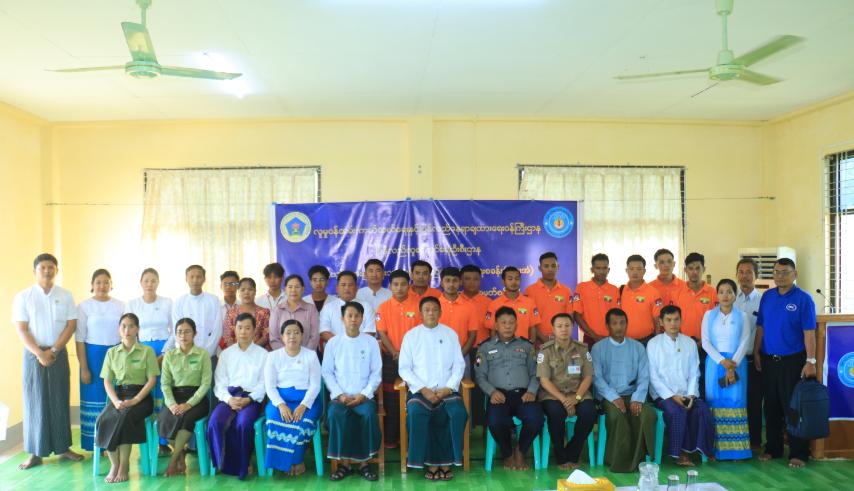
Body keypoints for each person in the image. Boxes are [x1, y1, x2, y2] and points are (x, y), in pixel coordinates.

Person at [13, 253, 84, 470]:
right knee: (35, 402)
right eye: (42, 267)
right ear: (35, 271)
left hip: (57, 353)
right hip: (32, 354)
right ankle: (35, 452)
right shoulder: (23, 296)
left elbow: (71, 325)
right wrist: (39, 352)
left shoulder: (65, 295)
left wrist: (53, 350)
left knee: (59, 398)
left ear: (56, 270)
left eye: (51, 267)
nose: (47, 271)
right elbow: (22, 329)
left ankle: (63, 448)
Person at [754, 258, 817, 469]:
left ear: (795, 274)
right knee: (771, 406)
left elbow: (809, 332)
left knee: (792, 407)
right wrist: (756, 351)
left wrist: (810, 361)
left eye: (785, 272)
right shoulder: (767, 297)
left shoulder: (804, 299)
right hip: (769, 361)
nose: (780, 276)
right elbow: (760, 327)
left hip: (793, 362)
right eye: (777, 272)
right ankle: (773, 448)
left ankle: (799, 453)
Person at [398, 296, 467, 480]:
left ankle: (447, 463)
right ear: (420, 314)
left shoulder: (450, 334)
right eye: (427, 310)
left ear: (440, 312)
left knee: (457, 413)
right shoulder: (411, 336)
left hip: (447, 391)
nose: (431, 313)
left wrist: (448, 388)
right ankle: (429, 463)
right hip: (420, 392)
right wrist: (424, 389)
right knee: (416, 413)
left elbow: (459, 365)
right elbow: (404, 368)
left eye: (434, 309)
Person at [474, 306, 543, 471]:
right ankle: (507, 453)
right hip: (498, 395)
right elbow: (480, 376)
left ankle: (521, 450)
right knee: (494, 421)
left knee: (536, 418)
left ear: (516, 325)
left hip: (523, 395)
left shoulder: (527, 346)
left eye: (511, 322)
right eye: (503, 323)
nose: (507, 326)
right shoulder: (485, 347)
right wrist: (492, 392)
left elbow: (536, 373)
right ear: (496, 325)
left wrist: (532, 391)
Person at [94, 313, 159, 483]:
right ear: (119, 329)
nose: (127, 330)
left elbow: (152, 380)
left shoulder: (147, 351)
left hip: (141, 398)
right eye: (123, 326)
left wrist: (136, 400)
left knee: (125, 417)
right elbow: (107, 381)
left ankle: (124, 465)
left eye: (131, 326)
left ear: (137, 329)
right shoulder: (111, 352)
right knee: (103, 419)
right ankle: (114, 464)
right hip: (119, 396)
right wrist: (115, 401)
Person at [647, 306, 714, 467]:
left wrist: (690, 395)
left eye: (676, 319)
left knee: (702, 410)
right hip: (664, 396)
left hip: (687, 394)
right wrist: (672, 396)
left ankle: (701, 449)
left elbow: (694, 373)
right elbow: (653, 377)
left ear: (681, 320)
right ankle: (680, 454)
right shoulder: (653, 344)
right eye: (669, 320)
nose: (673, 323)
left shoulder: (689, 343)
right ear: (661, 322)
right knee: (677, 411)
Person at [592, 308, 657, 473]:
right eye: (614, 323)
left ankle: (639, 459)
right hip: (608, 397)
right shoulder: (598, 348)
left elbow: (644, 376)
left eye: (622, 323)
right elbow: (597, 378)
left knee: (647, 415)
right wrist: (613, 397)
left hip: (632, 395)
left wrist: (637, 399)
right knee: (617, 417)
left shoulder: (637, 347)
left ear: (627, 324)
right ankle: (618, 461)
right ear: (607, 326)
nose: (619, 327)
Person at [323, 302, 383, 481]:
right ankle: (344, 465)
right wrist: (339, 394)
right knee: (335, 415)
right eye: (349, 315)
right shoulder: (333, 343)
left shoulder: (371, 342)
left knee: (368, 415)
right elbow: (327, 372)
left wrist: (364, 394)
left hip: (364, 397)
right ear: (342, 319)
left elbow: (376, 373)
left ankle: (365, 464)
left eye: (357, 315)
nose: (353, 319)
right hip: (340, 398)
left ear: (362, 318)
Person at [207, 312, 268, 479]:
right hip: (229, 397)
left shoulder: (263, 355)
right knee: (215, 422)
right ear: (234, 329)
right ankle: (221, 462)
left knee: (243, 424)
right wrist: (229, 399)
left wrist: (249, 399)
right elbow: (219, 383)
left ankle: (243, 464)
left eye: (248, 328)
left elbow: (264, 383)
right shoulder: (226, 354)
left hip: (251, 398)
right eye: (240, 328)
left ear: (254, 331)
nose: (243, 332)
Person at [537, 313, 596, 470]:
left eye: (567, 325)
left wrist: (577, 397)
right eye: (559, 326)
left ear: (572, 327)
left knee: (590, 412)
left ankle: (573, 450)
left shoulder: (582, 349)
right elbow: (544, 381)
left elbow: (588, 377)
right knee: (556, 414)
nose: (563, 329)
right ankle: (560, 455)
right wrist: (564, 400)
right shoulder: (545, 351)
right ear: (553, 329)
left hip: (578, 394)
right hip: (553, 396)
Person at [264, 319, 322, 476]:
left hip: (308, 401)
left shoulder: (311, 355)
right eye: (288, 333)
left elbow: (315, 385)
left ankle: (297, 460)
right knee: (274, 421)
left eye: (296, 333)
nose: (292, 336)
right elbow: (270, 387)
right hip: (280, 400)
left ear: (302, 335)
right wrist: (281, 405)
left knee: (302, 423)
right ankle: (283, 463)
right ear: (282, 337)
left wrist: (303, 405)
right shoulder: (273, 357)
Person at [701, 279, 752, 461]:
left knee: (735, 401)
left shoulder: (742, 316)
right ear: (716, 295)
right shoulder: (709, 315)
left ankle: (737, 451)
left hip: (737, 363)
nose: (725, 295)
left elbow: (745, 341)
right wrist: (722, 361)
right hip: (714, 364)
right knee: (714, 401)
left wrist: (732, 364)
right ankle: (714, 450)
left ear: (734, 295)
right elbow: (705, 342)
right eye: (721, 291)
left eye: (729, 291)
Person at [125, 267, 173, 454]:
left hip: (164, 352)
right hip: (141, 352)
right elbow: (129, 330)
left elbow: (174, 331)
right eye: (146, 280)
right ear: (141, 283)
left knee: (163, 392)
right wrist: (140, 353)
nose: (150, 284)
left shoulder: (167, 302)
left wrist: (164, 354)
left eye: (153, 280)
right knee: (144, 393)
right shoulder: (133, 304)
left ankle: (162, 441)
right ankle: (145, 439)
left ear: (158, 283)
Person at [76, 268, 125, 451]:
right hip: (92, 357)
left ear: (111, 284)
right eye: (98, 282)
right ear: (92, 285)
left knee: (114, 397)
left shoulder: (120, 305)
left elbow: (126, 333)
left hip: (115, 355)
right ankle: (95, 443)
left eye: (106, 282)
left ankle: (113, 441)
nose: (102, 286)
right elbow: (79, 339)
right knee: (94, 397)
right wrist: (84, 367)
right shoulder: (84, 306)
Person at [158, 317, 213, 476]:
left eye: (187, 331)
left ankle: (172, 463)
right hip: (175, 398)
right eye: (179, 332)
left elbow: (206, 384)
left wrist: (189, 404)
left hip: (197, 400)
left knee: (186, 419)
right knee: (163, 420)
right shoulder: (169, 356)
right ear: (175, 335)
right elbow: (165, 384)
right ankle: (180, 455)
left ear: (195, 333)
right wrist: (171, 404)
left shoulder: (203, 355)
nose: (183, 335)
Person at [375, 269, 421, 448]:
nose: (399, 288)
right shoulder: (383, 307)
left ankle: (410, 438)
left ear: (409, 285)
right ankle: (391, 438)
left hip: (415, 359)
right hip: (390, 358)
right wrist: (394, 352)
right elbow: (382, 333)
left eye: (403, 284)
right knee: (390, 398)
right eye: (395, 284)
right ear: (390, 286)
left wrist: (407, 355)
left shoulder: (419, 304)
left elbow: (421, 332)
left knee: (414, 395)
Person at [734, 257, 764, 450]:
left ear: (756, 275)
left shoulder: (764, 301)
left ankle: (754, 442)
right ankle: (734, 439)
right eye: (741, 272)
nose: (744, 276)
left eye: (749, 272)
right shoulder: (730, 298)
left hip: (753, 358)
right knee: (735, 398)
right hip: (732, 361)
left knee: (754, 400)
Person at [164, 265, 222, 358]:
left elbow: (217, 330)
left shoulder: (213, 300)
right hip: (186, 355)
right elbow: (177, 331)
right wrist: (187, 352)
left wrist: (206, 354)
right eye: (191, 277)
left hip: (209, 355)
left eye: (198, 277)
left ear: (204, 279)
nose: (195, 280)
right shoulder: (179, 302)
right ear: (186, 279)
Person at [460, 264, 492, 430]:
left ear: (480, 281)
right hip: (462, 352)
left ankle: (481, 423)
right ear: (461, 281)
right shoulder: (456, 301)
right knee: (463, 388)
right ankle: (467, 425)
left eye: (475, 279)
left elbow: (493, 330)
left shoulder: (488, 303)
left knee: (481, 387)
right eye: (467, 279)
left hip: (482, 352)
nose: (471, 282)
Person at [573, 253, 620, 349]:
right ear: (592, 270)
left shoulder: (614, 290)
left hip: (610, 338)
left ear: (608, 270)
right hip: (589, 337)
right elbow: (577, 315)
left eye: (604, 268)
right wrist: (594, 336)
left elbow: (617, 316)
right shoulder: (581, 287)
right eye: (598, 268)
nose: (601, 271)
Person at [524, 252, 573, 344]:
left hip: (561, 341)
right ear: (540, 268)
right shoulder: (529, 291)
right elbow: (528, 319)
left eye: (553, 266)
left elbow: (570, 318)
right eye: (546, 266)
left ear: (558, 267)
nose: (550, 269)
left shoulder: (566, 291)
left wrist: (560, 337)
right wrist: (543, 338)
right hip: (537, 342)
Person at [485, 266, 541, 341]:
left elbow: (533, 328)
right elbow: (492, 330)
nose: (514, 282)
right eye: (510, 279)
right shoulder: (494, 304)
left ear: (520, 280)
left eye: (517, 279)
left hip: (524, 346)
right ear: (503, 282)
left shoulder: (529, 302)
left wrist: (531, 346)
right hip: (502, 347)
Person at [319, 271, 376, 341]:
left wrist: (354, 344)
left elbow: (370, 331)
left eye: (350, 285)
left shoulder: (367, 307)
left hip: (361, 347)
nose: (346, 288)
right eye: (343, 285)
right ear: (337, 288)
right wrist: (341, 344)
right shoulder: (328, 308)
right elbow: (324, 331)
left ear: (356, 288)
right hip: (335, 346)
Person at [619, 255, 663, 344]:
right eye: (631, 269)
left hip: (647, 340)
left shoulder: (653, 292)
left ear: (644, 271)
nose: (635, 272)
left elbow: (657, 320)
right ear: (626, 271)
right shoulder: (621, 291)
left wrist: (657, 342)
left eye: (639, 269)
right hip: (624, 340)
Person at [270, 274, 319, 351]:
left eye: (297, 287)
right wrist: (286, 355)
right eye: (290, 287)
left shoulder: (311, 309)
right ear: (285, 289)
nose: (293, 290)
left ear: (302, 289)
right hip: (282, 356)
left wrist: (304, 354)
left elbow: (314, 337)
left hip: (306, 355)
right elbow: (274, 338)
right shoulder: (277, 310)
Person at [438, 267, 479, 358]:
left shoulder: (470, 307)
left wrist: (459, 356)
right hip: (437, 356)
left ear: (460, 282)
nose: (451, 284)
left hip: (462, 356)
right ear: (441, 283)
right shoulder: (434, 305)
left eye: (455, 281)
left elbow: (472, 336)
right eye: (447, 280)